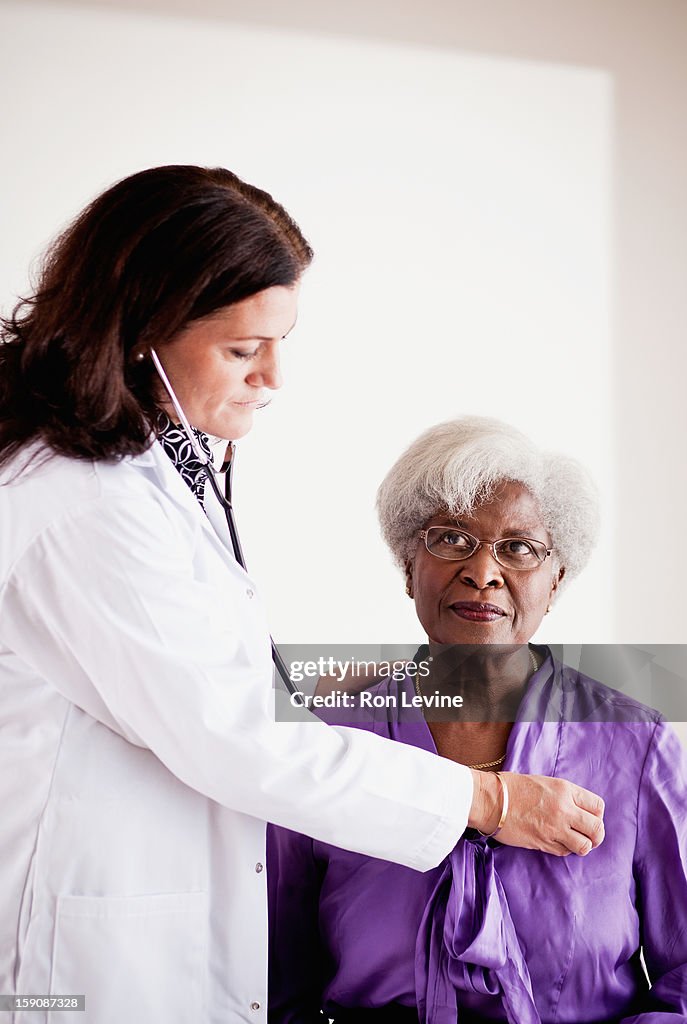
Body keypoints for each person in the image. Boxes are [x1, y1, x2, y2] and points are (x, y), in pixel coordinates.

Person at [0, 168, 604, 1024]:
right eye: (242, 350)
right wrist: (485, 799)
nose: (271, 378)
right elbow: (236, 736)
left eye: (518, 550)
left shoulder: (631, 738)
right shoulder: (83, 505)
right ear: (139, 334)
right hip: (91, 957)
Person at [268, 417, 687, 1023]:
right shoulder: (327, 741)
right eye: (452, 539)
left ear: (556, 579)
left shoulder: (635, 742)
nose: (483, 571)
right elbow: (278, 978)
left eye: (519, 547)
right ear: (408, 565)